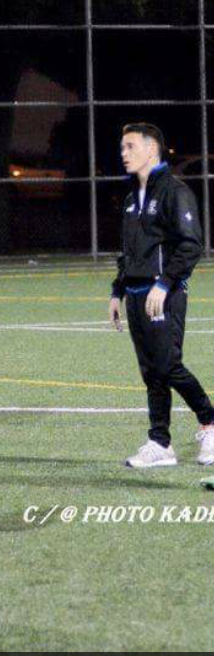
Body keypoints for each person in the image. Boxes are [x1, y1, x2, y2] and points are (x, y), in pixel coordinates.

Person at [109, 123, 214, 469]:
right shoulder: (130, 199)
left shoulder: (175, 192)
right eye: (122, 147)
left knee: (168, 366)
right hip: (136, 294)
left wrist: (165, 283)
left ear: (151, 149)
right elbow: (128, 252)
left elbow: (191, 245)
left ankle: (210, 421)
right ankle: (160, 443)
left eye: (130, 146)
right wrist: (117, 291)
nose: (123, 153)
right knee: (151, 372)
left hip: (163, 293)